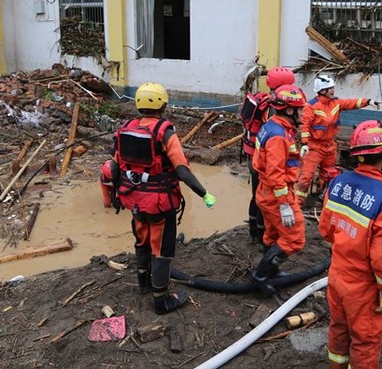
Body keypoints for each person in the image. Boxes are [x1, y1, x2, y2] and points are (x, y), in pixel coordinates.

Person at [112, 82, 216, 314]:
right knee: (161, 250)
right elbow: (181, 170)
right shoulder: (164, 132)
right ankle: (161, 301)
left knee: (141, 240)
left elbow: (114, 165)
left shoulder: (126, 128)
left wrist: (115, 193)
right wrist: (204, 193)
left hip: (135, 200)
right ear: (163, 105)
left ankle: (143, 285)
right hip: (159, 203)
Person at [319, 120, 382, 369]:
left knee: (339, 328)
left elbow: (325, 229)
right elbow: (381, 255)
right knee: (365, 341)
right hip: (363, 284)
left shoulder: (338, 183)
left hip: (337, 273)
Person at [249, 84, 307, 295]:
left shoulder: (273, 125)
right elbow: (275, 174)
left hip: (267, 192)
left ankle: (271, 271)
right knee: (295, 238)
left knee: (273, 234)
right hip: (277, 194)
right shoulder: (278, 136)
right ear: (289, 110)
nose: (304, 112)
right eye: (301, 109)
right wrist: (285, 206)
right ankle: (261, 275)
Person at [295, 75, 379, 205]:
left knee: (328, 175)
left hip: (330, 146)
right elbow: (305, 125)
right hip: (315, 147)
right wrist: (305, 143)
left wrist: (368, 101)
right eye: (330, 88)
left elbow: (351, 103)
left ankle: (321, 198)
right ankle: (297, 204)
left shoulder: (336, 103)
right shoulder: (312, 106)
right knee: (306, 177)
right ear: (322, 90)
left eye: (333, 87)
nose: (333, 90)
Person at [240, 67, 295, 246]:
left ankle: (253, 231)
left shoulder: (259, 99)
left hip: (251, 154)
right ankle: (262, 237)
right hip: (263, 160)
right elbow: (274, 142)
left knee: (256, 196)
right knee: (265, 199)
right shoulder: (273, 109)